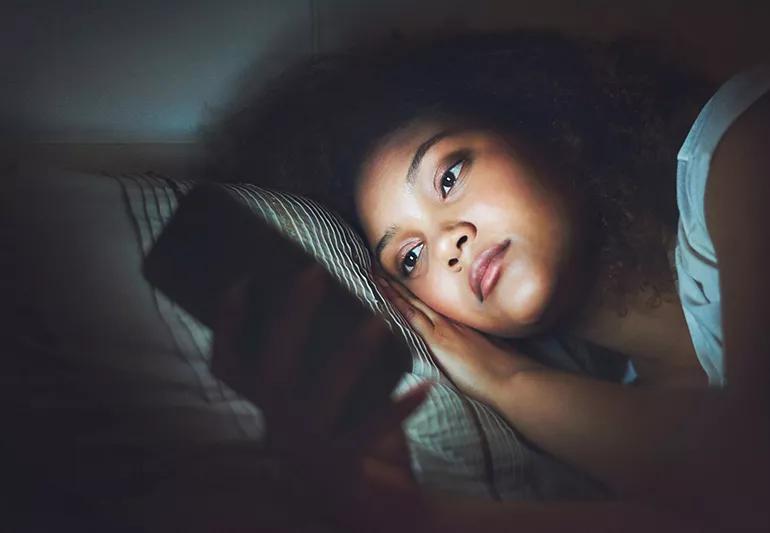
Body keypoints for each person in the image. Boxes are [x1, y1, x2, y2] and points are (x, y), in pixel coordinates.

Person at [207, 31, 770, 531]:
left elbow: (748, 469)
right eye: (410, 258)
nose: (449, 242)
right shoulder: (616, 422)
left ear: (547, 132)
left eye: (448, 176)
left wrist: (508, 381)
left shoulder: (741, 151)